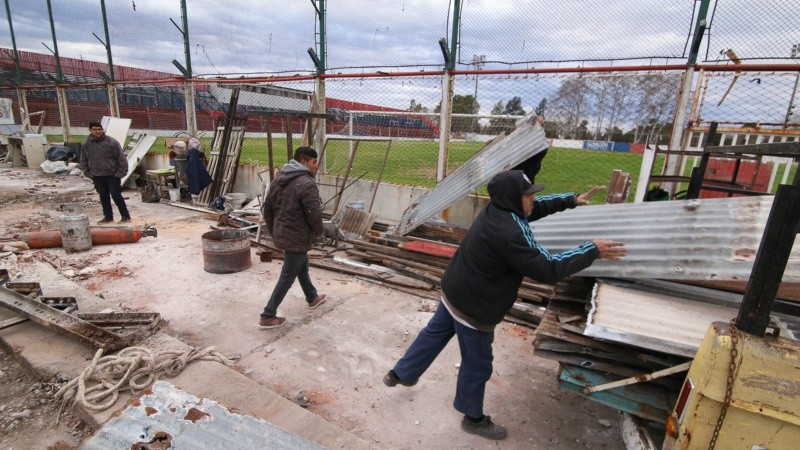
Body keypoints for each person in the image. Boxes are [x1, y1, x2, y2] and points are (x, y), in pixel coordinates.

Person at [383, 170, 626, 441]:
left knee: (434, 334)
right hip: (475, 307)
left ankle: (400, 373)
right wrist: (591, 249)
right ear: (514, 197)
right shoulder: (510, 232)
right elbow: (547, 267)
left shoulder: (498, 209)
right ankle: (472, 418)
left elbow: (530, 210)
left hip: (454, 290)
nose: (533, 198)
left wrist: (569, 200)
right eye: (529, 194)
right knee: (478, 365)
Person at [258, 146, 327, 328]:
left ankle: (312, 297)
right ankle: (267, 315)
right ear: (303, 161)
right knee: (288, 275)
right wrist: (319, 232)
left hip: (284, 233)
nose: (316, 165)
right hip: (296, 237)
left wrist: (275, 231)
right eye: (313, 162)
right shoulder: (307, 183)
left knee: (301, 266)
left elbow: (267, 209)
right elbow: (314, 213)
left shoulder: (279, 178)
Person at [79, 121, 131, 224]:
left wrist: (120, 174)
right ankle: (108, 217)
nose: (97, 132)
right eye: (95, 129)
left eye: (99, 129)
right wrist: (88, 173)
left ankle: (125, 216)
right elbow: (83, 160)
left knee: (116, 195)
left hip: (112, 175)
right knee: (103, 196)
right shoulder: (87, 144)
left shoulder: (112, 142)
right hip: (97, 175)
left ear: (103, 130)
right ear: (90, 130)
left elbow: (122, 159)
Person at [512, 115, 548, 182]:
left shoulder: (540, 143)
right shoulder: (520, 136)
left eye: (540, 124)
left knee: (527, 177)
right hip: (517, 171)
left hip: (526, 172)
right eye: (537, 123)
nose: (538, 125)